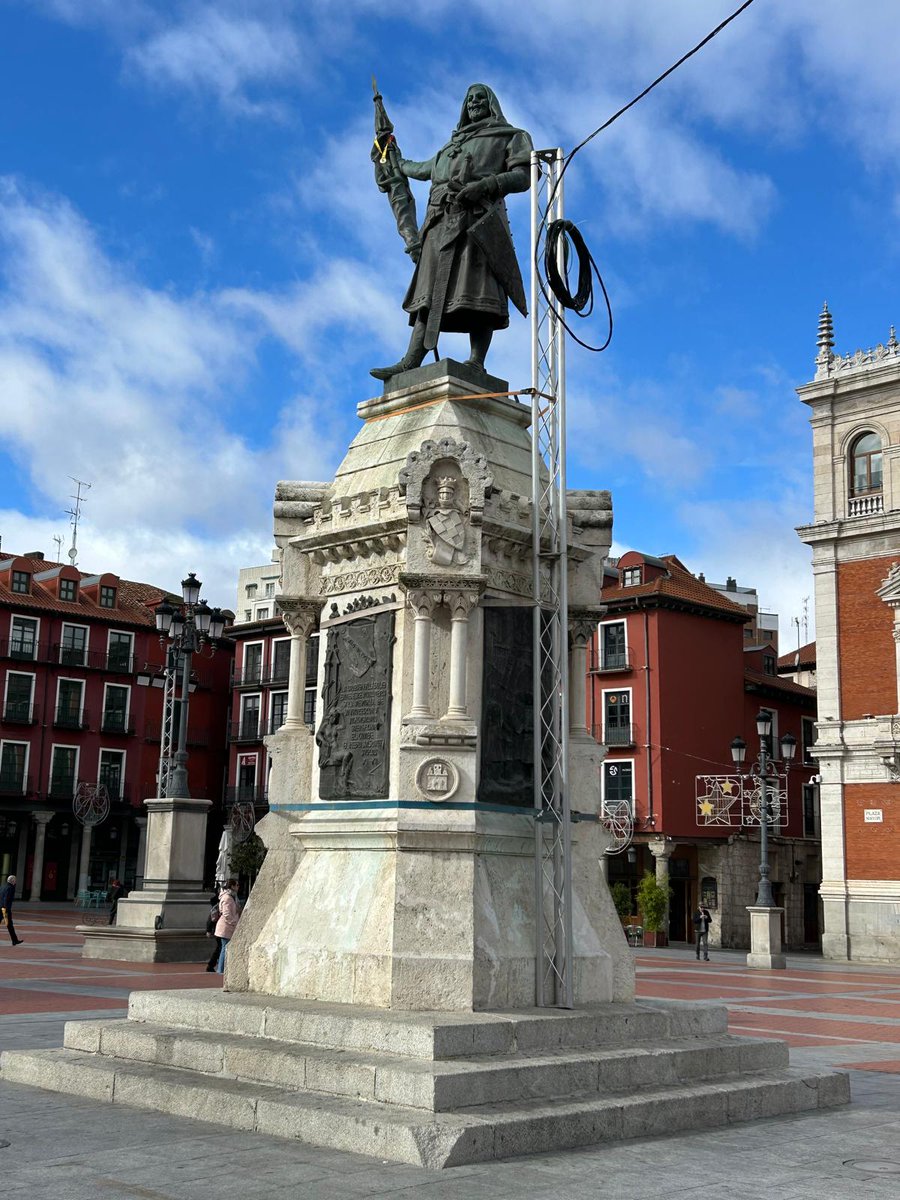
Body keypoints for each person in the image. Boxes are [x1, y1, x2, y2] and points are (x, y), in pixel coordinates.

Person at [370, 83, 533, 382]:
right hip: (439, 224)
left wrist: (486, 185)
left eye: (480, 98)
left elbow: (524, 176)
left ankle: (476, 362)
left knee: (479, 290)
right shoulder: (449, 147)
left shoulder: (510, 137)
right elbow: (418, 169)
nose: (474, 102)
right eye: (470, 98)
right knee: (427, 291)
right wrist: (391, 156)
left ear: (491, 103)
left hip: (478, 222)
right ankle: (411, 361)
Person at [214, 878, 240, 975]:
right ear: (232, 886)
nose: (238, 887)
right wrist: (234, 923)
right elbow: (227, 914)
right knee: (225, 947)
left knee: (225, 947)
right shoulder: (227, 898)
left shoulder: (232, 897)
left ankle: (222, 969)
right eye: (237, 885)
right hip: (226, 927)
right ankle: (221, 969)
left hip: (228, 926)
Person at [1, 875, 23, 946]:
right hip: (5, 909)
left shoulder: (2, 887)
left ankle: (15, 940)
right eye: (15, 881)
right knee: (9, 925)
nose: (15, 882)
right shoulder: (11, 888)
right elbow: (6, 898)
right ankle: (14, 941)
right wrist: (6, 909)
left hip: (0, 908)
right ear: (13, 881)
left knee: (9, 925)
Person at [204, 890, 221, 973]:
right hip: (218, 929)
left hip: (217, 929)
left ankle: (212, 965)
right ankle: (211, 965)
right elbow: (211, 919)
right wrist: (208, 930)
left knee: (220, 948)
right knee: (219, 948)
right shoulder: (217, 906)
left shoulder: (216, 905)